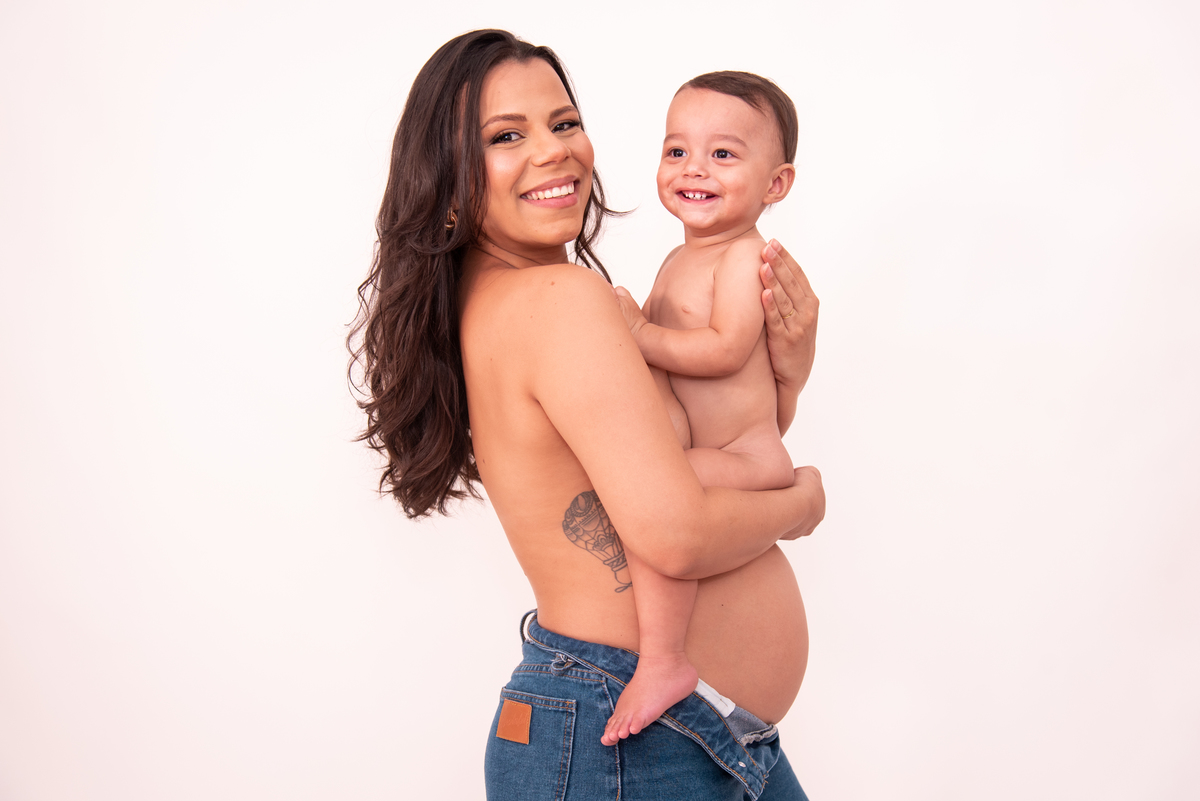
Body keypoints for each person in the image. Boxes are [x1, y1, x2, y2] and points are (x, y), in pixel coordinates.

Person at [349, 30, 824, 800]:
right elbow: (675, 532)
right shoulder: (559, 302)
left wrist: (790, 373)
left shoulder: (514, 299)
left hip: (677, 734)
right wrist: (803, 503)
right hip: (632, 738)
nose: (553, 151)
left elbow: (694, 455)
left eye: (564, 122)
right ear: (447, 179)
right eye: (506, 136)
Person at [604, 71, 803, 745]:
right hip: (710, 448)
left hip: (747, 455)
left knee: (656, 501)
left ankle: (664, 658)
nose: (694, 168)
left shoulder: (746, 258)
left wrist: (639, 332)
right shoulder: (677, 258)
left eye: (722, 153)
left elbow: (723, 349)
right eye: (677, 150)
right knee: (651, 493)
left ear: (775, 184)